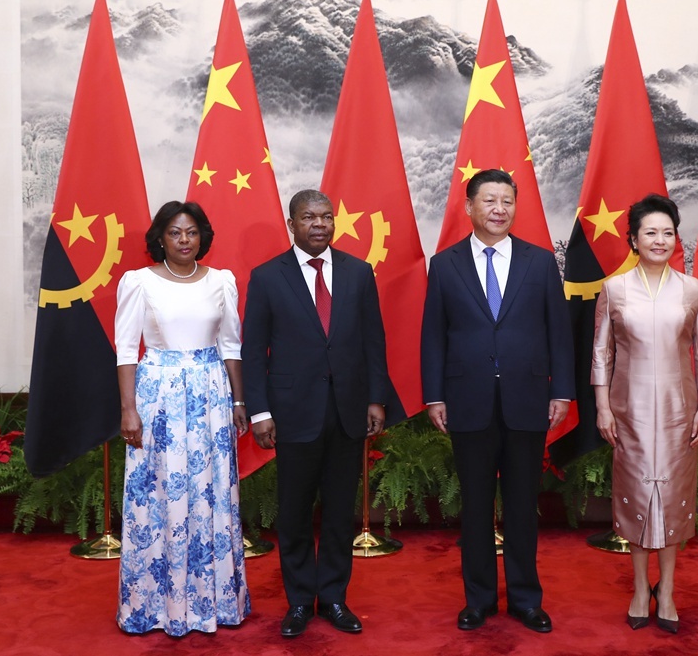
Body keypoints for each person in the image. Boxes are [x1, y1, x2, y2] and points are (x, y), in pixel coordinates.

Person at [421, 169, 575, 633]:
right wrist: (434, 396)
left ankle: (526, 599)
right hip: (467, 400)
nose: (499, 209)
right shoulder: (444, 264)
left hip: (527, 399)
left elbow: (558, 331)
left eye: (507, 201)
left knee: (522, 504)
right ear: (469, 207)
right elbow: (434, 336)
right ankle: (479, 599)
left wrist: (561, 390)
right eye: (489, 200)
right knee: (475, 505)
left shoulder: (540, 262)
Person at [241, 189, 393, 638]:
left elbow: (373, 341)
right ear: (292, 224)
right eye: (309, 217)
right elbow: (254, 351)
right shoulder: (268, 277)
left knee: (340, 511)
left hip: (348, 411)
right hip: (292, 413)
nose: (319, 224)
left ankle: (334, 598)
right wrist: (260, 412)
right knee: (294, 512)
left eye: (326, 217)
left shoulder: (358, 272)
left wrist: (376, 399)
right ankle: (298, 602)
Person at [115, 201, 250, 636]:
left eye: (191, 232)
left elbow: (231, 345)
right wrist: (128, 409)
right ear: (160, 238)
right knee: (159, 495)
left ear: (202, 236)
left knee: (212, 492)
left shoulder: (222, 281)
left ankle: (215, 603)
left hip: (211, 398)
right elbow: (125, 350)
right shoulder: (139, 282)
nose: (184, 239)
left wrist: (239, 401)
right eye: (175, 232)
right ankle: (156, 608)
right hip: (159, 399)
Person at [591, 194, 698, 634]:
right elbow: (601, 354)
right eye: (650, 232)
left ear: (676, 238)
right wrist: (603, 408)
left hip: (681, 412)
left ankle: (668, 591)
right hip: (629, 413)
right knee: (638, 497)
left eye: (667, 232)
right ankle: (641, 589)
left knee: (673, 501)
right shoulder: (614, 289)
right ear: (633, 239)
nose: (659, 240)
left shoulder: (693, 289)